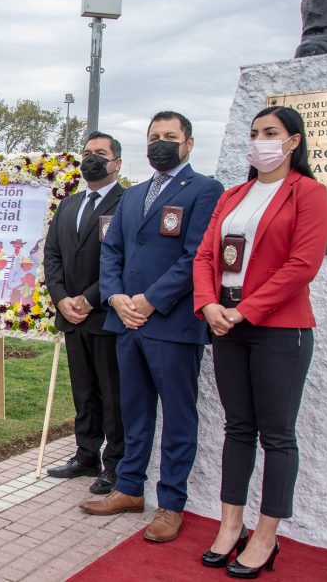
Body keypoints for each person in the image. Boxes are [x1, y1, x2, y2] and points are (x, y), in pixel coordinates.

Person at [193, 106, 327, 577]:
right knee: (237, 428)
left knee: (277, 435)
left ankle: (267, 536)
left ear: (293, 141)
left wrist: (244, 309)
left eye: (271, 133)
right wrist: (209, 305)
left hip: (279, 330)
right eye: (254, 133)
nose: (260, 141)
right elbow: (207, 254)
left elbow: (302, 265)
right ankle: (231, 525)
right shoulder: (234, 195)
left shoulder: (309, 194)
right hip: (227, 326)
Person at [82, 111, 224, 543]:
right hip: (127, 323)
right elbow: (112, 252)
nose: (161, 142)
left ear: (189, 143)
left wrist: (149, 300)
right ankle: (128, 488)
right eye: (154, 136)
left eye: (170, 136)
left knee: (178, 417)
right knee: (134, 411)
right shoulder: (134, 194)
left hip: (172, 325)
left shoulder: (205, 190)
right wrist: (117, 297)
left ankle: (171, 503)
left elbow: (196, 256)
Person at [43, 131, 125, 495]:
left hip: (105, 314)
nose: (92, 159)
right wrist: (61, 298)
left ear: (116, 163)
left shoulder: (128, 202)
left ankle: (116, 463)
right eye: (87, 152)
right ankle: (86, 454)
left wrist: (89, 299)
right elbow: (53, 255)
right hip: (71, 316)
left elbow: (121, 261)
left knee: (112, 393)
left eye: (101, 153)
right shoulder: (70, 204)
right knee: (83, 391)